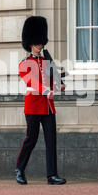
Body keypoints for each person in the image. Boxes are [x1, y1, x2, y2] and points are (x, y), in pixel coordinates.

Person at [15, 16, 67, 185]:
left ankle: (51, 175)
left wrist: (60, 86)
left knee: (51, 140)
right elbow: (32, 82)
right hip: (33, 106)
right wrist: (47, 91)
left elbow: (53, 81)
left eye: (41, 42)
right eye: (37, 42)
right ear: (30, 43)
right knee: (31, 139)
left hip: (48, 107)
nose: (40, 45)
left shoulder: (47, 61)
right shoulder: (24, 63)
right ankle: (20, 169)